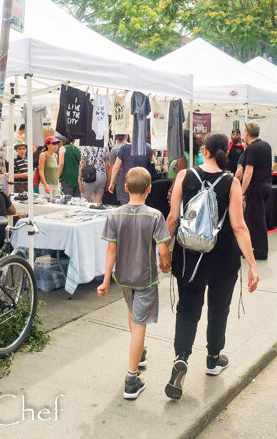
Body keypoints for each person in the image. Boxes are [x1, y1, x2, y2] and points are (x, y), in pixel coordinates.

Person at [164, 132, 259, 400]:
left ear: (203, 150)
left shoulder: (185, 176)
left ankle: (181, 357)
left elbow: (172, 218)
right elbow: (239, 227)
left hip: (188, 257)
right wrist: (252, 264)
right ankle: (213, 358)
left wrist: (162, 248)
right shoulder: (232, 183)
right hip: (223, 257)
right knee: (219, 309)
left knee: (187, 309)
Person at [97, 167, 171, 400]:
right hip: (145, 278)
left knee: (132, 313)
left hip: (123, 277)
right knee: (140, 325)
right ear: (149, 189)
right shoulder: (155, 216)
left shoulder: (114, 215)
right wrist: (165, 263)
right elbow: (162, 247)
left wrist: (106, 279)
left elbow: (111, 249)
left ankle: (138, 354)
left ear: (126, 188)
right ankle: (131, 378)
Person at [241, 121, 272, 260]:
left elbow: (248, 171)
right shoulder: (266, 145)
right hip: (266, 185)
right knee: (253, 218)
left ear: (247, 132)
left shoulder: (251, 149)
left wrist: (241, 192)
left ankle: (260, 250)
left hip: (256, 187)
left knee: (256, 219)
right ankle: (252, 247)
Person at [109, 134, 130, 205]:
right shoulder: (131, 147)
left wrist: (111, 182)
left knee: (122, 201)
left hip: (119, 179)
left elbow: (113, 167)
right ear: (126, 136)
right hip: (131, 177)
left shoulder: (114, 150)